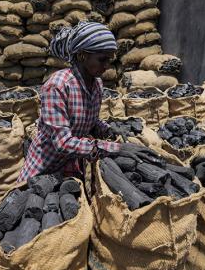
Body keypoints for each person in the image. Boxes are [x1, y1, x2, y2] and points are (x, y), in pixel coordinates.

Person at [17, 21, 153, 182]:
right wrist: (118, 148)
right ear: (82, 55)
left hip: (70, 167)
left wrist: (109, 130)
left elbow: (90, 120)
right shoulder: (58, 86)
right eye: (102, 59)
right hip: (43, 169)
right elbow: (63, 143)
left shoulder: (97, 84)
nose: (107, 66)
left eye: (109, 60)